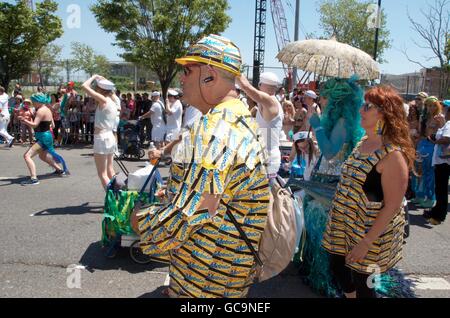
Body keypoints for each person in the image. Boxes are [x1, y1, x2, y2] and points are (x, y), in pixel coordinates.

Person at [131, 34, 269, 298]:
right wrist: (175, 193)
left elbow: (186, 216)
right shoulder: (240, 118)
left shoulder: (214, 131)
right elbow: (215, 196)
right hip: (227, 277)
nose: (181, 79)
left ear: (210, 75)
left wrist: (138, 220)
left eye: (187, 70)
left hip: (204, 283)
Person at [322, 85, 415, 298]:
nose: (360, 110)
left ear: (384, 113)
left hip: (371, 237)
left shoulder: (392, 156)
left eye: (367, 106)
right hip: (344, 228)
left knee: (366, 287)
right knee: (338, 269)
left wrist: (366, 243)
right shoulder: (363, 142)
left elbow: (392, 206)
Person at [295, 77, 365, 297]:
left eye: (325, 96)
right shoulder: (339, 119)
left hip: (330, 185)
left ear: (337, 100)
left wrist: (316, 124)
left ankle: (326, 277)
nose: (322, 100)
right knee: (317, 227)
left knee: (322, 230)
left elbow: (331, 152)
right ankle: (320, 272)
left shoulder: (343, 120)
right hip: (325, 178)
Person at [236, 71, 284, 177]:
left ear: (261, 85)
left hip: (267, 158)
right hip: (265, 156)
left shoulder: (270, 101)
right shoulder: (270, 102)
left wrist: (234, 69)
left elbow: (246, 87)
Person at [18, 93, 69, 185]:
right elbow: (52, 125)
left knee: (27, 156)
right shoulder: (47, 109)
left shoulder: (41, 111)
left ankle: (34, 179)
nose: (33, 103)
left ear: (38, 101)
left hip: (43, 137)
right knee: (42, 156)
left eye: (33, 102)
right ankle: (60, 170)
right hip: (46, 136)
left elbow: (34, 125)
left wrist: (24, 120)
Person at [82, 75, 119, 190]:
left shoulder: (103, 100)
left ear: (100, 89)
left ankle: (113, 200)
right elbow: (111, 90)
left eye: (97, 88)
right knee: (110, 170)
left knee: (102, 174)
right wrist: (103, 80)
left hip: (102, 137)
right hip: (110, 136)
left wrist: (94, 77)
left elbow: (84, 86)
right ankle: (120, 194)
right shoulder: (114, 100)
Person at [412, 96, 445, 208]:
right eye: (428, 105)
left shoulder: (440, 117)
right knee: (419, 171)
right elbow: (422, 133)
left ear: (437, 106)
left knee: (430, 173)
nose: (430, 108)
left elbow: (443, 133)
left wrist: (440, 123)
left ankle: (430, 198)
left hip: (433, 146)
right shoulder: (424, 117)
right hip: (423, 144)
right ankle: (420, 195)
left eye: (432, 105)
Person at [424, 100, 450, 225]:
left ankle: (438, 215)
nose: (443, 110)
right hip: (441, 161)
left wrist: (435, 141)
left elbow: (446, 139)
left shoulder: (449, 124)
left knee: (441, 190)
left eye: (445, 108)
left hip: (444, 162)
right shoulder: (446, 124)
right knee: (440, 189)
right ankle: (438, 212)